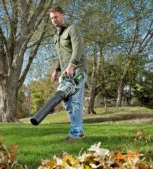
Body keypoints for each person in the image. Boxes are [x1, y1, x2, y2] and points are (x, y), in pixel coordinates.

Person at [48, 6, 87, 143]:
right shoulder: (55, 36)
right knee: (67, 104)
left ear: (62, 15)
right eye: (52, 18)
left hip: (77, 71)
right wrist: (56, 70)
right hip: (65, 75)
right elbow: (60, 56)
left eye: (56, 17)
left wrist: (72, 64)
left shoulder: (72, 29)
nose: (54, 20)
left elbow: (78, 48)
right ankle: (80, 132)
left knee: (75, 102)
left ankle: (74, 134)